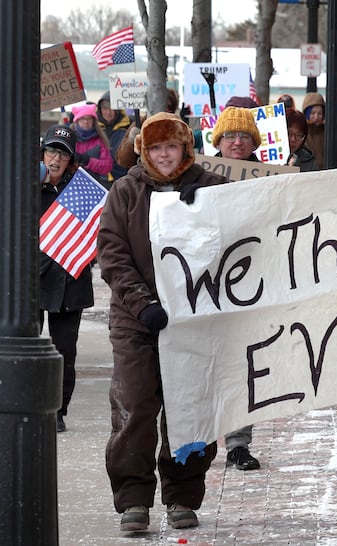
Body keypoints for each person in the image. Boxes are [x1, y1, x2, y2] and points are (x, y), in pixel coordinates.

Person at [97, 112, 227, 532]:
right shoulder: (125, 191)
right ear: (143, 151)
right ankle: (134, 499)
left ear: (185, 148)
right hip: (138, 321)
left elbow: (246, 239)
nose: (164, 155)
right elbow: (113, 256)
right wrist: (143, 303)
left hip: (195, 320)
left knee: (189, 411)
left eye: (170, 146)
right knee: (134, 407)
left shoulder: (213, 189)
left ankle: (182, 495)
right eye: (155, 148)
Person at [207, 102, 264, 472]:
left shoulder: (268, 176)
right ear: (219, 140)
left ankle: (239, 443)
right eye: (230, 135)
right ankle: (199, 437)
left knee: (245, 366)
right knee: (204, 364)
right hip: (205, 284)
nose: (237, 142)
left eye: (244, 135)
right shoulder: (196, 174)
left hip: (251, 282)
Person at [39, 124, 94, 433]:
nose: (55, 159)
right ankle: (28, 402)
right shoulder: (25, 187)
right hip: (32, 284)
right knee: (23, 347)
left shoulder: (85, 190)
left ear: (72, 161)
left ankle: (59, 410)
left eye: (62, 153)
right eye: (51, 151)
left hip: (70, 283)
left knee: (64, 352)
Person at [71, 103, 113, 188]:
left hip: (96, 185)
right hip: (73, 184)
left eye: (89, 118)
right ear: (77, 120)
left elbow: (107, 166)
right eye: (82, 118)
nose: (86, 122)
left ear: (93, 120)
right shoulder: (70, 139)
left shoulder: (100, 140)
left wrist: (88, 161)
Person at [96, 92, 132, 181]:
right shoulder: (93, 127)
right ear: (100, 109)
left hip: (122, 180)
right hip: (98, 180)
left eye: (112, 109)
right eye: (105, 108)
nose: (108, 112)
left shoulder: (129, 126)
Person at [302, 91, 325, 168]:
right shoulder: (300, 134)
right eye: (312, 113)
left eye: (319, 113)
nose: (316, 117)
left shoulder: (327, 132)